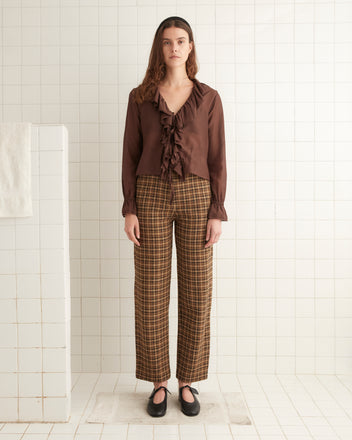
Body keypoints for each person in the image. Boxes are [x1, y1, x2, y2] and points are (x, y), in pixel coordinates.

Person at [121, 16, 228, 418]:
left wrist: (216, 211)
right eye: (167, 42)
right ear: (159, 49)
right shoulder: (140, 97)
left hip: (198, 195)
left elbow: (217, 156)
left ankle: (188, 381)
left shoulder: (209, 98)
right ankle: (158, 383)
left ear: (191, 46)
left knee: (197, 289)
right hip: (149, 193)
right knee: (150, 290)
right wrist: (129, 207)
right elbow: (130, 154)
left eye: (181, 41)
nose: (174, 48)